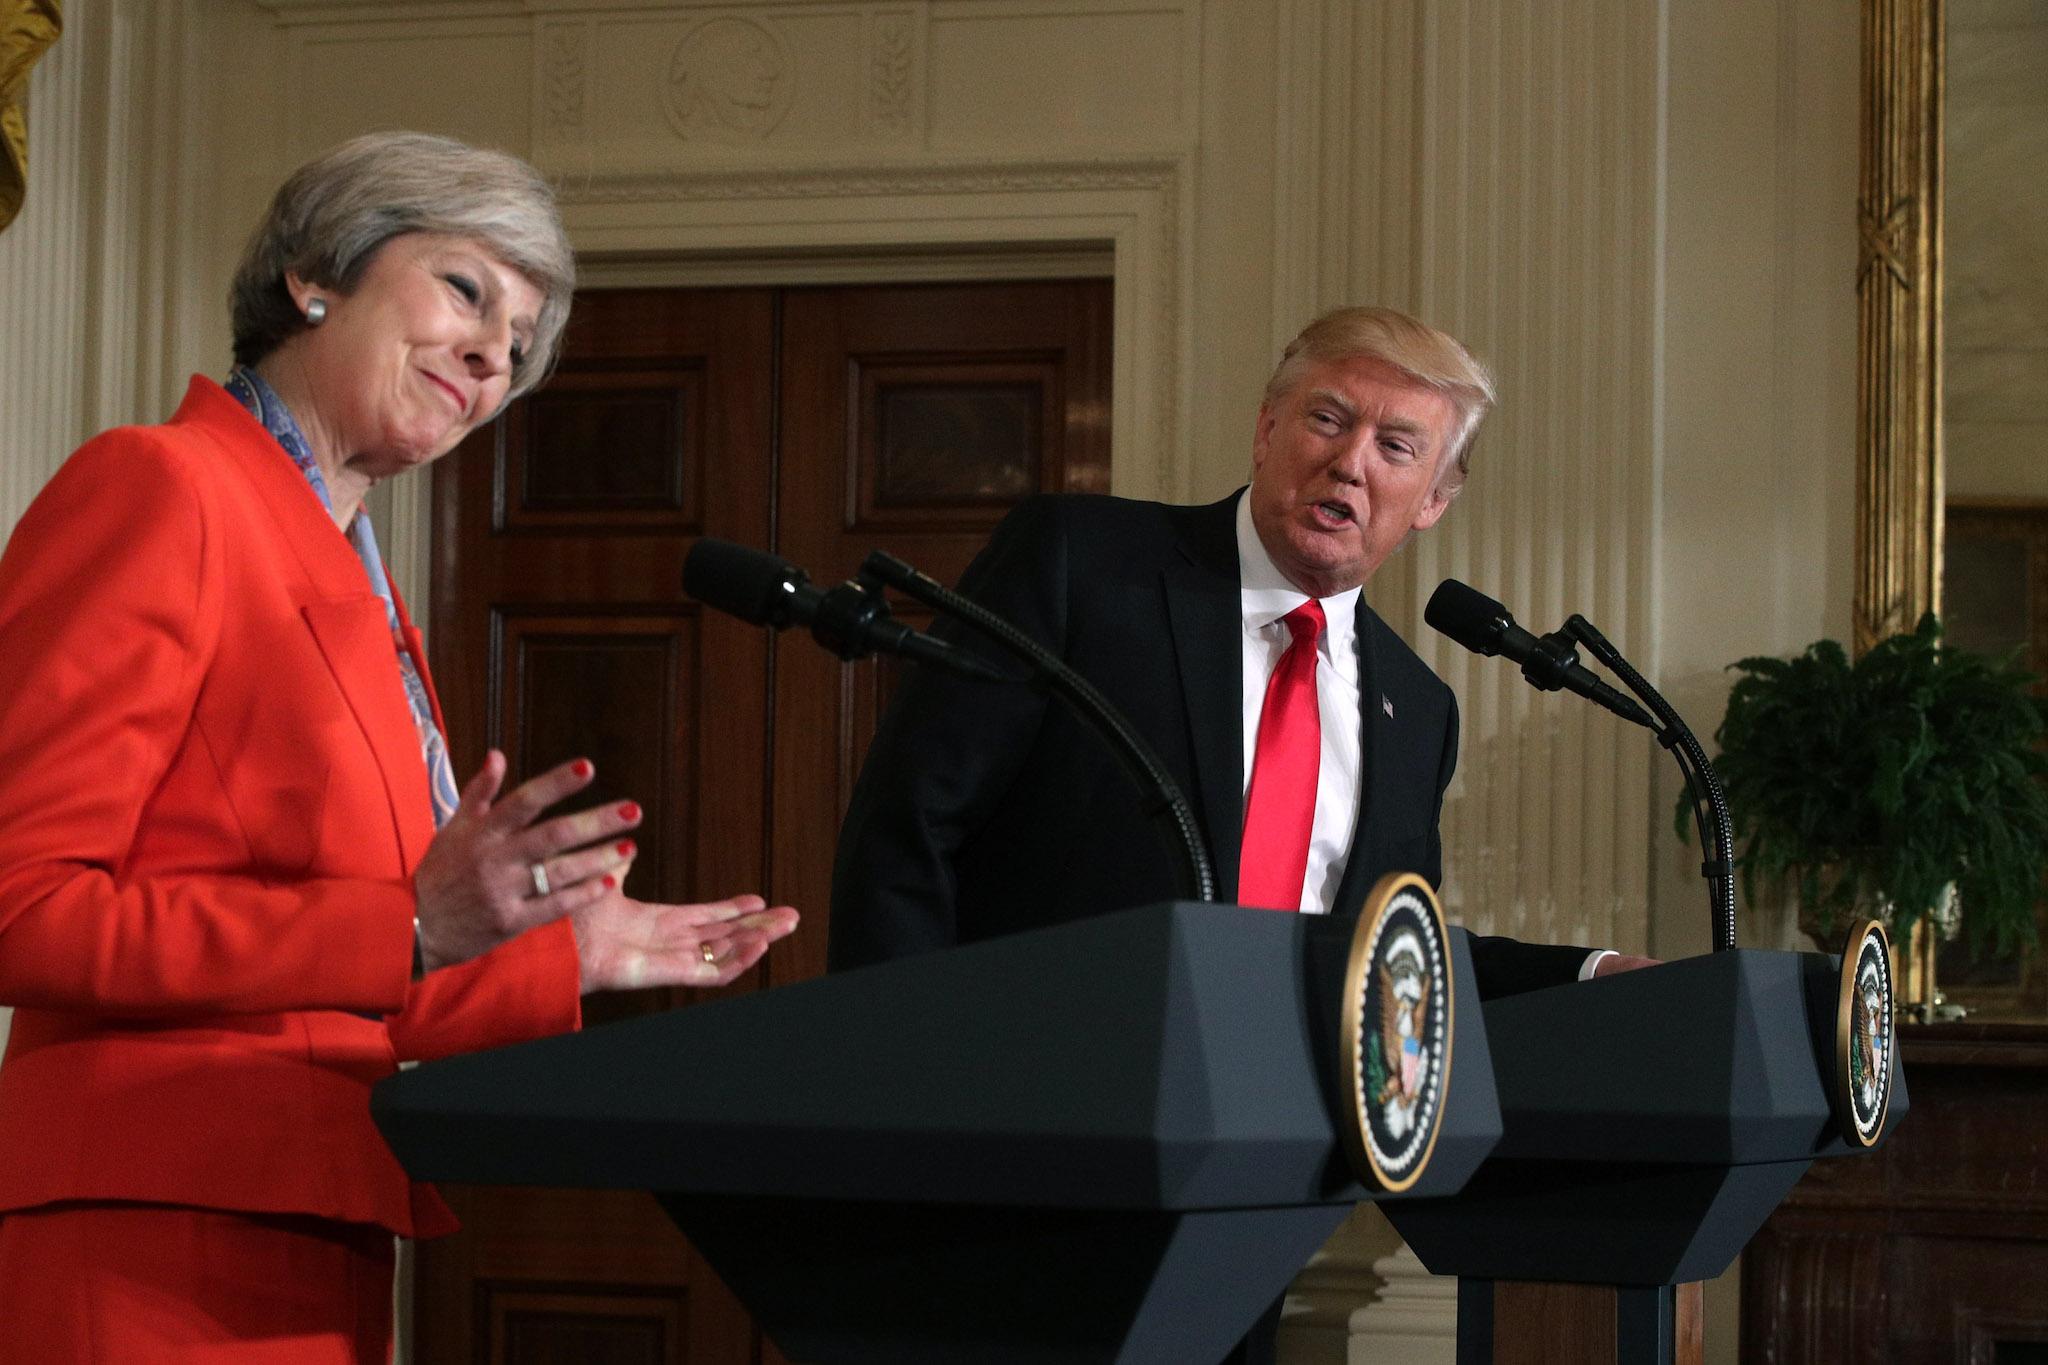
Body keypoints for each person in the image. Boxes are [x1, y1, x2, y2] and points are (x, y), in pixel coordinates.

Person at [0, 131, 799, 1362]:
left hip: (319, 1222)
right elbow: (23, 906)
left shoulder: (363, 590)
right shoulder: (162, 488)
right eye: (466, 292)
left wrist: (565, 955)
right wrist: (413, 923)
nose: (493, 358)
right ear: (317, 272)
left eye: (519, 347)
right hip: (152, 1226)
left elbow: (345, 984)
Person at [831, 304, 1650, 994]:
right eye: (1326, 419)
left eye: (1395, 446)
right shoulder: (1085, 565)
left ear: (1434, 500)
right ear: (1266, 431)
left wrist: (1586, 970)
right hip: (1041, 1108)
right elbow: (909, 822)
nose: (1348, 461)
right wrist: (910, 1060)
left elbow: (1385, 964)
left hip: (1279, 1145)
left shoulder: (1418, 710)